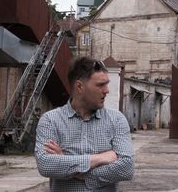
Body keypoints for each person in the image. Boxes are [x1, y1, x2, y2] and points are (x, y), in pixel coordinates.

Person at [34, 57, 134, 191]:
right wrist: (99, 158)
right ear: (80, 86)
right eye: (100, 85)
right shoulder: (50, 120)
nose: (107, 90)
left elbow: (126, 168)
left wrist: (69, 165)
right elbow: (45, 165)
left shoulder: (116, 120)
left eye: (107, 84)